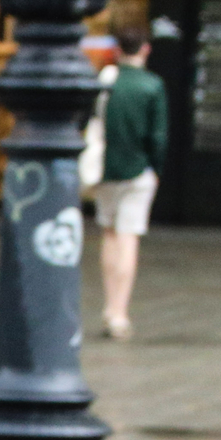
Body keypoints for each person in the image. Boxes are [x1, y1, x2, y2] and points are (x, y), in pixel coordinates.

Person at [89, 25, 167, 342]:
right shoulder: (153, 86)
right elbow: (158, 137)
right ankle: (120, 312)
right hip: (138, 171)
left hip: (105, 169)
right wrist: (156, 169)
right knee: (128, 237)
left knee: (108, 233)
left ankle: (109, 306)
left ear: (117, 49)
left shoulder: (105, 82)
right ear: (146, 49)